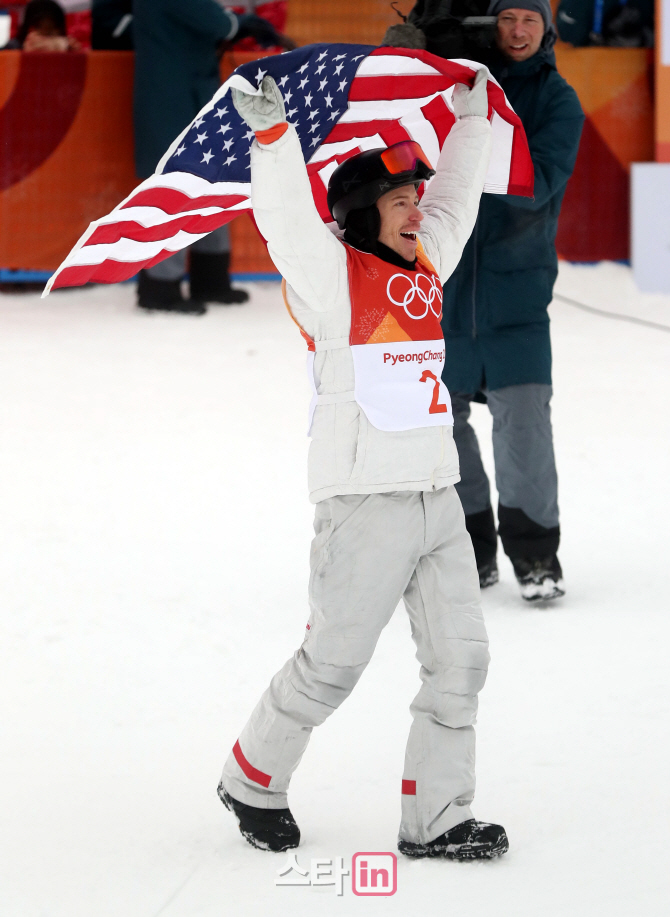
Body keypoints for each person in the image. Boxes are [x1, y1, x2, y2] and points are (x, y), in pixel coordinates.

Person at [215, 70, 509, 861]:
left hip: (436, 496)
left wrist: (473, 117)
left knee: (462, 660)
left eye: (413, 198)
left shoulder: (425, 267)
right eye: (399, 200)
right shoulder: (333, 281)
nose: (417, 209)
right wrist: (275, 139)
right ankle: (252, 777)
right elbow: (282, 221)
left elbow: (458, 199)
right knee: (333, 665)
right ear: (359, 215)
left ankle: (437, 817)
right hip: (362, 501)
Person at [440, 0, 584, 601]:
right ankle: (471, 550)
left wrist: (471, 148)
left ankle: (535, 557)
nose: (519, 31)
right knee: (442, 424)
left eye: (530, 19)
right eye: (508, 19)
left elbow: (540, 182)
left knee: (522, 424)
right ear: (491, 27)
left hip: (517, 292)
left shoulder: (558, 101)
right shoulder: (455, 83)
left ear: (546, 29)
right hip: (446, 288)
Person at [132, 0, 286, 315]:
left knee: (212, 185)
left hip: (189, 94)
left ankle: (210, 278)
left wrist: (235, 24)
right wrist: (241, 24)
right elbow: (213, 21)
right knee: (174, 191)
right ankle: (161, 287)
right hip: (172, 99)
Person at [7, 0, 81, 51]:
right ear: (30, 29)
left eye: (52, 28)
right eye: (41, 27)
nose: (47, 33)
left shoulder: (70, 45)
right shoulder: (13, 48)